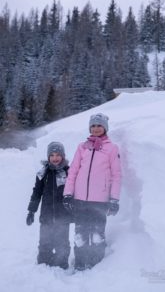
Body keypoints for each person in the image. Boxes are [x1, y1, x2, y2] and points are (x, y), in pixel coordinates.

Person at [63, 113, 121, 271]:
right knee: (80, 234)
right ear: (90, 128)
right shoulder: (82, 147)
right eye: (93, 125)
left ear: (105, 128)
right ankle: (81, 264)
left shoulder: (111, 148)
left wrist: (114, 199)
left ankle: (96, 267)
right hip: (80, 199)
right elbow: (73, 171)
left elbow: (116, 175)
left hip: (100, 201)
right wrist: (68, 194)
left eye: (99, 125)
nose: (96, 128)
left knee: (96, 235)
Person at [26, 141, 72, 269]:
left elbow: (74, 193)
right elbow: (36, 193)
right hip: (46, 215)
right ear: (48, 157)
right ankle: (44, 264)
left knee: (62, 241)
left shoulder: (68, 172)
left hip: (63, 216)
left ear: (63, 156)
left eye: (58, 155)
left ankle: (62, 264)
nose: (55, 158)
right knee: (45, 241)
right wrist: (31, 211)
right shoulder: (43, 173)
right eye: (52, 155)